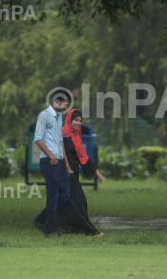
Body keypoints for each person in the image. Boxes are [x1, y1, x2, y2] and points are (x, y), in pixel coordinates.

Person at [32, 90, 72, 237]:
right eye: (66, 104)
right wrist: (51, 157)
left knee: (65, 195)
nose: (67, 107)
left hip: (59, 162)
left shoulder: (59, 117)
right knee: (53, 197)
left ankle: (40, 220)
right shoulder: (44, 115)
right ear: (58, 101)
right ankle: (50, 229)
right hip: (49, 161)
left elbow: (60, 140)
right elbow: (37, 138)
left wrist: (66, 164)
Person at [60, 109, 104, 237]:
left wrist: (96, 170)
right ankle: (89, 232)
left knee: (68, 202)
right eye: (76, 120)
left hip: (73, 172)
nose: (78, 123)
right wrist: (66, 167)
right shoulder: (63, 134)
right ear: (69, 120)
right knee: (80, 200)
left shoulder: (75, 135)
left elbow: (82, 155)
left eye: (80, 121)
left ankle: (65, 229)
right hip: (66, 172)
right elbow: (60, 154)